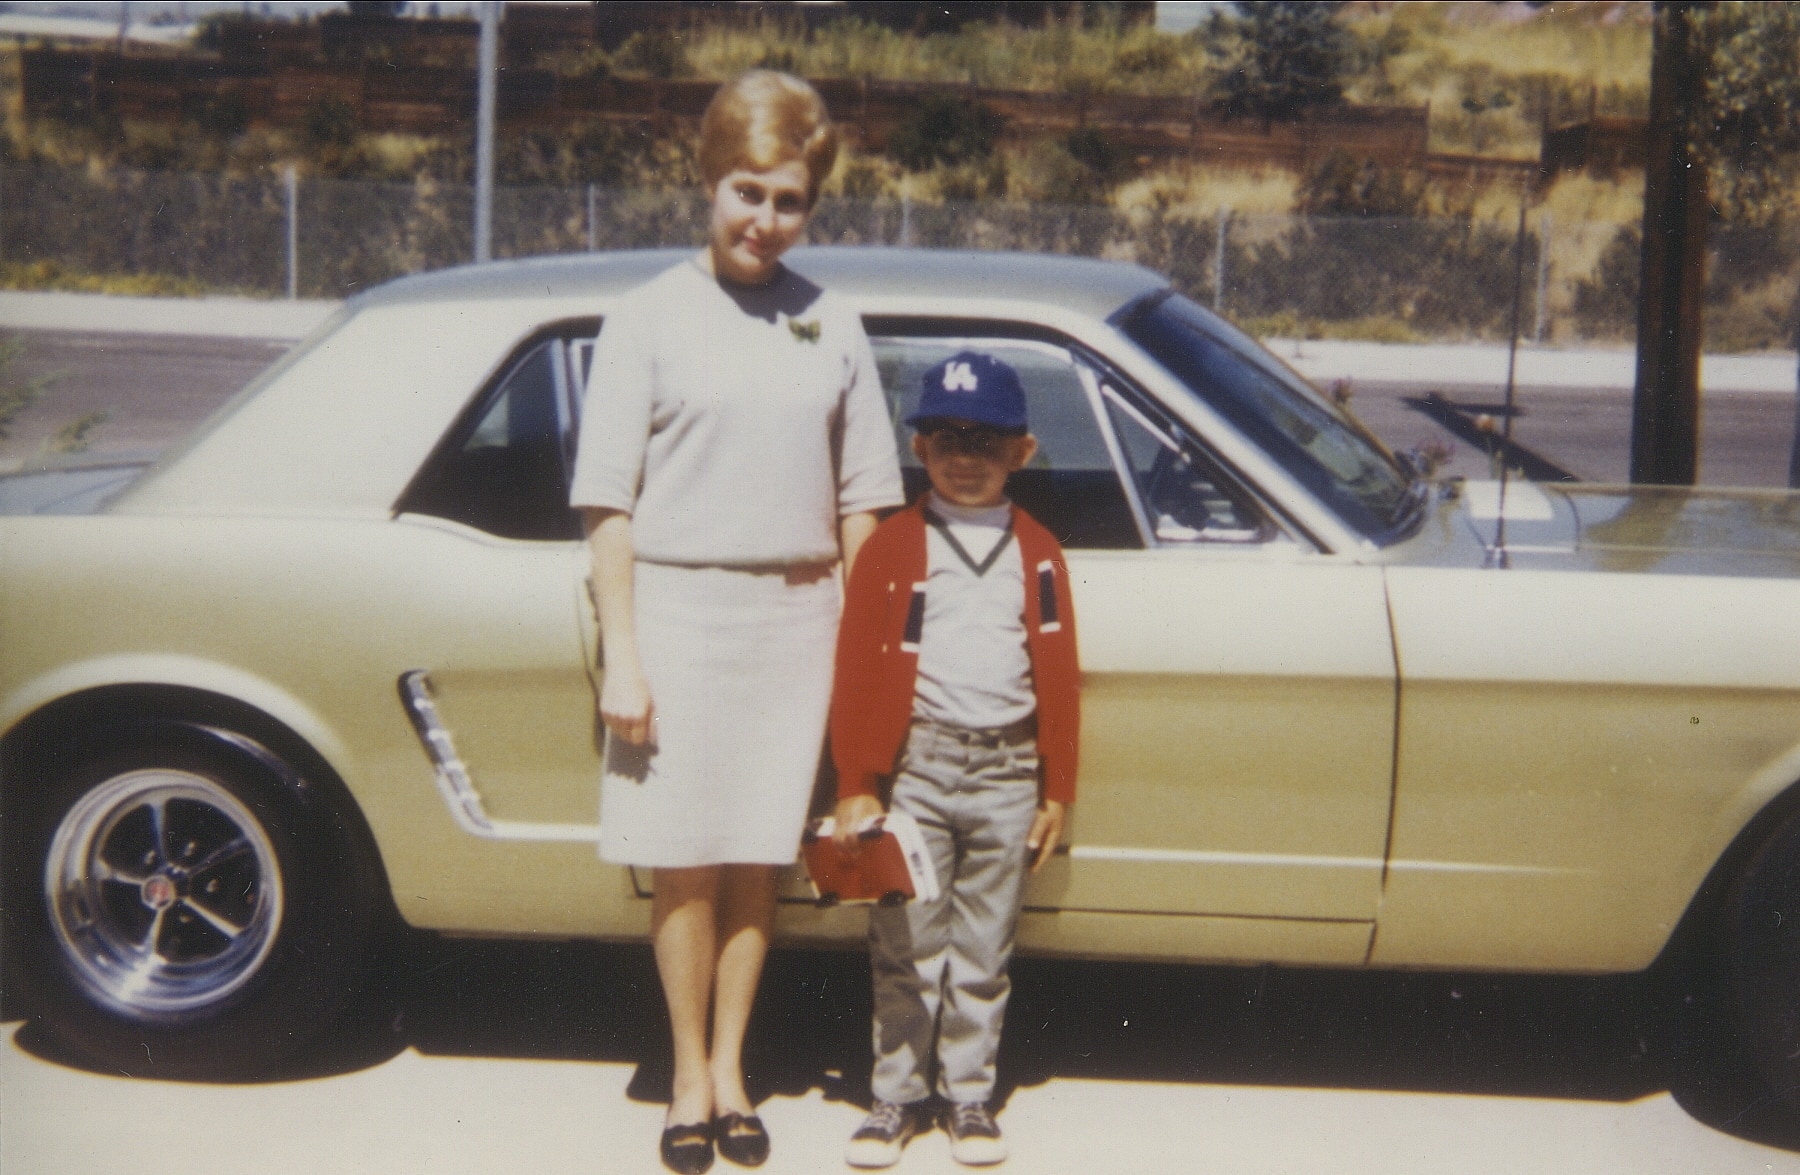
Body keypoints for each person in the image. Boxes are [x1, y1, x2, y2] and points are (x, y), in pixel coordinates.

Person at [568, 71, 903, 1175]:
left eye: (789, 199)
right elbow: (607, 508)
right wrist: (626, 654)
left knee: (761, 857)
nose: (765, 218)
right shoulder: (647, 318)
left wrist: (865, 672)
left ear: (815, 206)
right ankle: (682, 1073)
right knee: (683, 863)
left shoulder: (832, 319)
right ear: (706, 183)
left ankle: (733, 1068)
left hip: (798, 619)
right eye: (746, 191)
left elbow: (865, 511)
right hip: (675, 609)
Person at [829, 352, 1081, 1168]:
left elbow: (1059, 675)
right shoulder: (896, 547)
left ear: (1023, 451)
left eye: (986, 439)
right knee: (904, 937)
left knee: (983, 944)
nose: (965, 456)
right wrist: (857, 783)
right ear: (919, 447)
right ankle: (895, 1096)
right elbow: (859, 672)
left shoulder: (1038, 551)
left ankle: (968, 1093)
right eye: (947, 437)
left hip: (1007, 772)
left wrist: (1057, 786)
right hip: (921, 771)